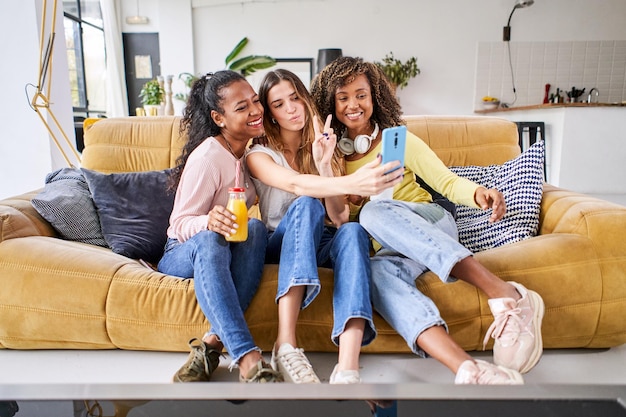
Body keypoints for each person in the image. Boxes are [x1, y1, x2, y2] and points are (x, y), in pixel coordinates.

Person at [311, 56, 545, 384]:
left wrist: (479, 194)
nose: (354, 104)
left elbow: (445, 181)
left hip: (429, 223)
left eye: (361, 94)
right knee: (376, 275)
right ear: (330, 104)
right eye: (343, 97)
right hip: (389, 250)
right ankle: (469, 370)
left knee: (373, 212)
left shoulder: (397, 140)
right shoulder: (331, 153)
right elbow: (338, 220)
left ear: (374, 97)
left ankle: (504, 293)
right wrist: (325, 168)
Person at [246, 69, 402, 384]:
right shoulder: (258, 154)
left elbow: (341, 217)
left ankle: (347, 365)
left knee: (354, 231)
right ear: (270, 113)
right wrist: (354, 180)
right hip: (280, 242)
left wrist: (324, 165)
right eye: (279, 104)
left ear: (304, 99)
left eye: (294, 98)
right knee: (304, 203)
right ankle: (286, 344)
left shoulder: (323, 145)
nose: (291, 109)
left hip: (319, 242)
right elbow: (294, 183)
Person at [157, 70, 282, 384]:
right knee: (211, 239)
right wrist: (208, 221)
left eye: (256, 101)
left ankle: (211, 345)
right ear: (219, 117)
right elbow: (179, 224)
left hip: (229, 245)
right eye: (242, 108)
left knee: (254, 230)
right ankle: (248, 357)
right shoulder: (209, 157)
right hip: (184, 252)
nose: (255, 111)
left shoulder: (252, 151)